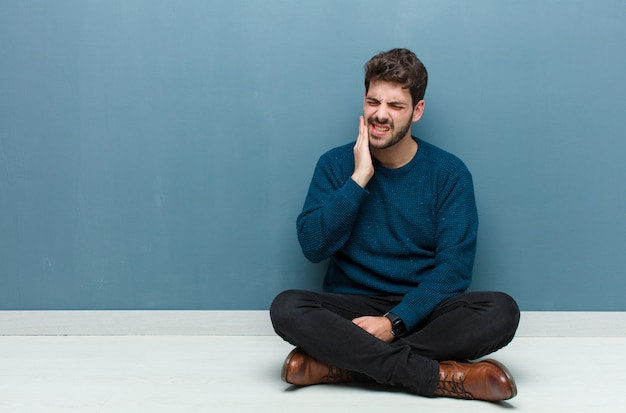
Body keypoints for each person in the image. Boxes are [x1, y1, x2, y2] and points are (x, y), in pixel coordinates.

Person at [270, 48, 520, 402]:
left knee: (501, 311)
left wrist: (394, 323)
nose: (380, 115)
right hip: (353, 309)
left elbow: (454, 271)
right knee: (286, 307)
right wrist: (358, 180)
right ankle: (436, 376)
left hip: (422, 310)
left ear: (417, 111)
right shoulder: (335, 164)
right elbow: (313, 246)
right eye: (373, 102)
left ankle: (341, 364)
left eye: (395, 106)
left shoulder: (449, 173)